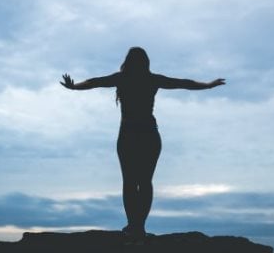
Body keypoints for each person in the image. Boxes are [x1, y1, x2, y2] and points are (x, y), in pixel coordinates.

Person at [60, 46, 225, 242]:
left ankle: (134, 226)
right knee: (144, 182)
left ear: (127, 61)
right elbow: (183, 83)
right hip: (149, 135)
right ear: (146, 62)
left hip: (129, 135)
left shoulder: (121, 78)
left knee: (130, 182)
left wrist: (74, 86)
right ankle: (138, 226)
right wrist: (207, 85)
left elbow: (94, 82)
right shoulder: (151, 79)